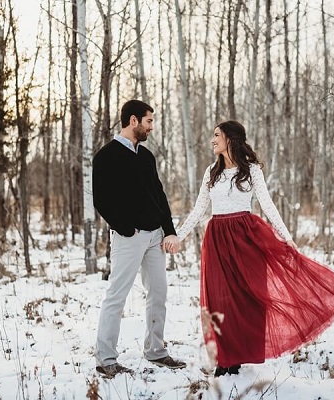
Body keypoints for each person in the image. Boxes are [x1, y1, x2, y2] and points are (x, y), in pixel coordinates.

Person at [169, 120, 334, 377]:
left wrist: (286, 236)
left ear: (230, 139)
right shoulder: (211, 172)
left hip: (247, 238)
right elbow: (199, 208)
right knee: (220, 300)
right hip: (218, 240)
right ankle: (225, 359)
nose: (212, 140)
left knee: (249, 299)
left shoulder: (251, 170)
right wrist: (178, 236)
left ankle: (241, 355)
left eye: (216, 135)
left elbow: (268, 204)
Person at [92, 99, 186, 378]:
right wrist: (125, 228)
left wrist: (168, 230)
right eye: (149, 121)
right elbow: (101, 199)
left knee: (158, 293)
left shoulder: (146, 157)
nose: (151, 127)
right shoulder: (106, 156)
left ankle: (156, 350)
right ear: (133, 121)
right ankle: (106, 358)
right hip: (128, 238)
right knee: (116, 296)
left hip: (155, 236)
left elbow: (159, 195)